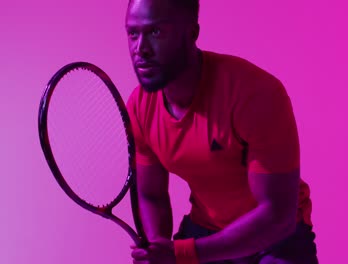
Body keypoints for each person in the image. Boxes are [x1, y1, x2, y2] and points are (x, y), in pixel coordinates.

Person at [125, 0, 318, 263]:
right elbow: (151, 195)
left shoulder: (255, 95)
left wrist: (183, 254)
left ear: (192, 33)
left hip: (276, 238)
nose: (140, 49)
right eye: (133, 33)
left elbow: (276, 215)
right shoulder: (140, 107)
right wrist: (158, 246)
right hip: (206, 228)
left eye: (155, 32)